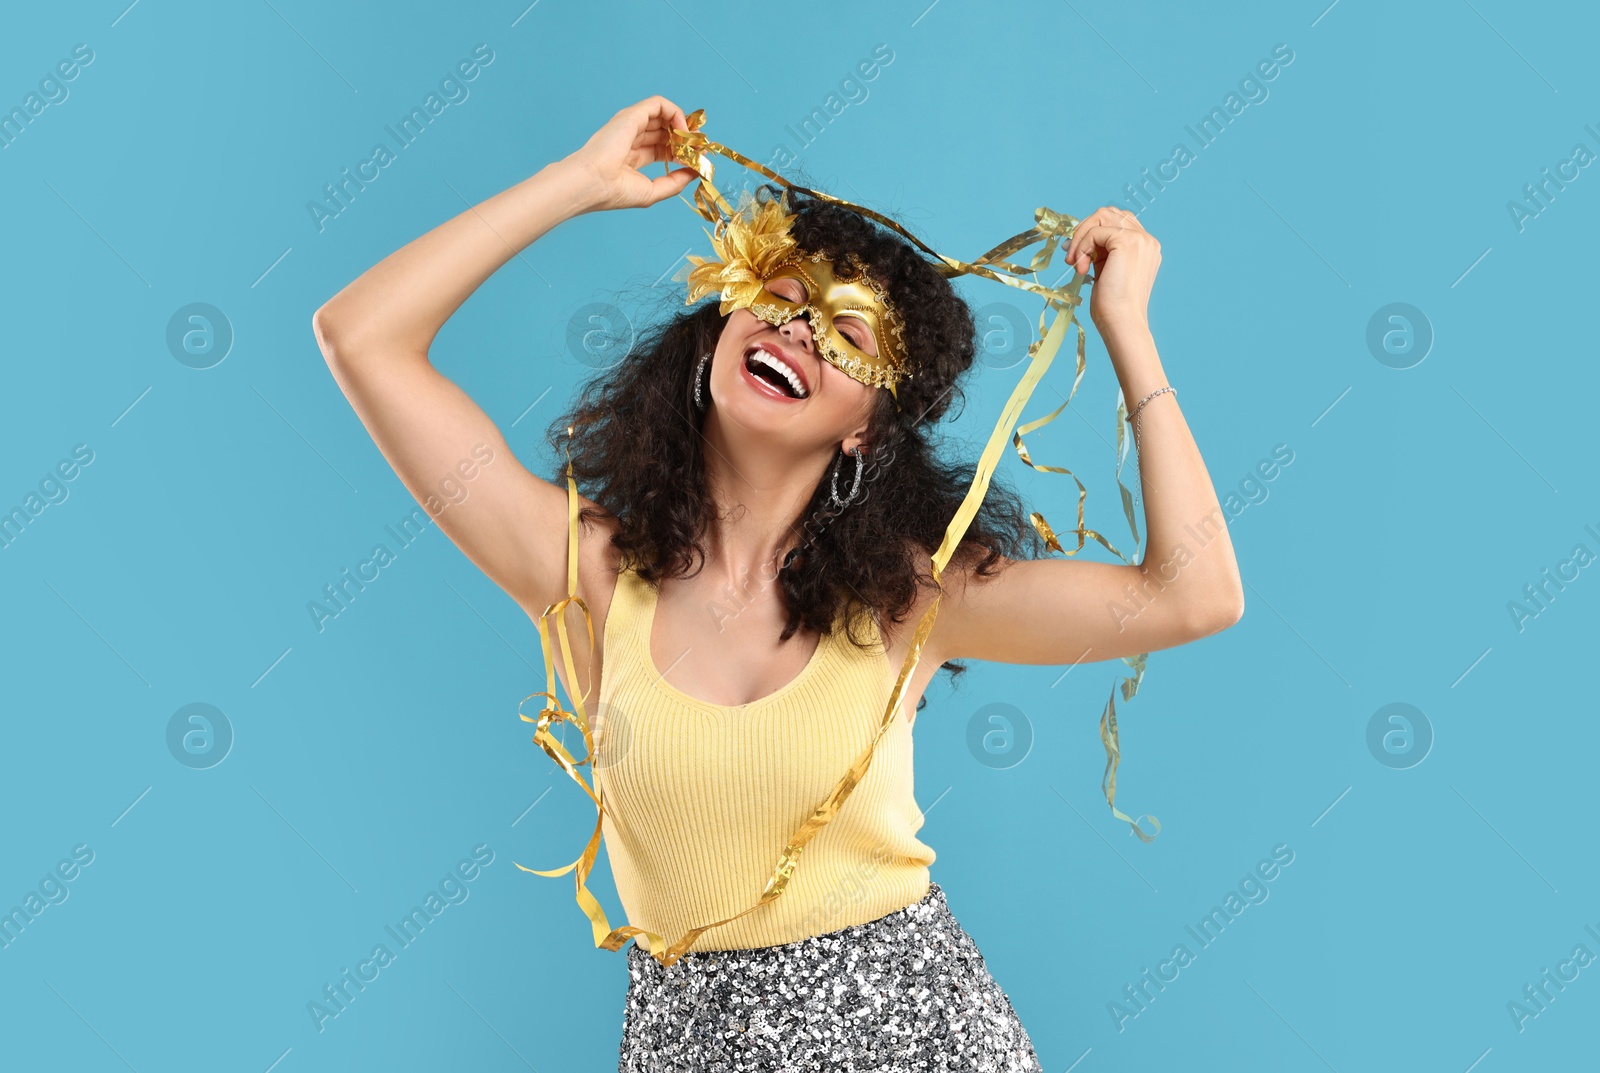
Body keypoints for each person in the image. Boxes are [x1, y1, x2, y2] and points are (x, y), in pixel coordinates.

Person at [313, 95, 1244, 1071]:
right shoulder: (583, 573)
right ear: (718, 331)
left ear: (867, 428)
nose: (800, 330)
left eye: (846, 332)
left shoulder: (910, 599)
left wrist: (1125, 325)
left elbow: (1193, 593)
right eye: (783, 297)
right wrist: (578, 183)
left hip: (929, 1041)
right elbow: (360, 335)